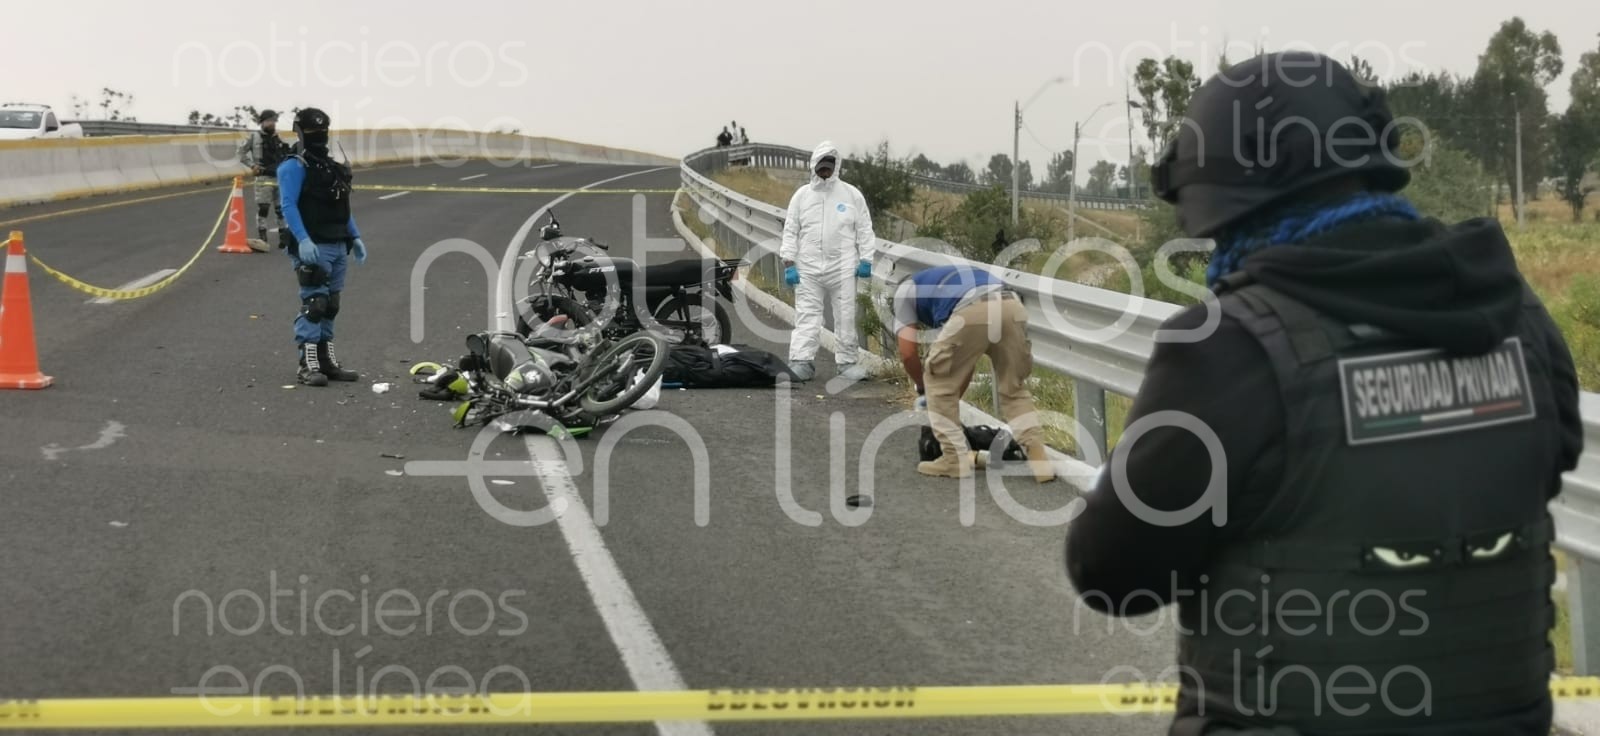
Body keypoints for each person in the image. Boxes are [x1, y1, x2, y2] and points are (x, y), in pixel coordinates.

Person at [1064, 51, 1581, 736]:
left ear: (1227, 203)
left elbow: (1112, 574)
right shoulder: (1518, 317)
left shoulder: (1229, 347)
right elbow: (1538, 468)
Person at [891, 263, 1056, 482]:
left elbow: (908, 353)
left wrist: (924, 389)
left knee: (937, 379)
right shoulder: (945, 283)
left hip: (972, 309)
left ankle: (953, 460)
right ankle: (1039, 460)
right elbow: (963, 367)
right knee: (1013, 388)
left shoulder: (904, 292)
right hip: (1010, 303)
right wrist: (948, 402)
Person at [278, 107, 367, 387]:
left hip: (339, 244)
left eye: (324, 131)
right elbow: (289, 205)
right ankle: (308, 364)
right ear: (301, 132)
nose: (321, 137)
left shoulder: (329, 166)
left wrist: (354, 236)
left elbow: (341, 205)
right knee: (314, 303)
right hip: (313, 245)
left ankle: (327, 361)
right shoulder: (293, 166)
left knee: (331, 305)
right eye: (315, 132)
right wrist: (302, 239)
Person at [779, 142, 875, 382]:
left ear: (836, 167)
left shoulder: (851, 195)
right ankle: (801, 362)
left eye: (829, 167)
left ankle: (847, 363)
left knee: (845, 316)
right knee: (807, 315)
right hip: (808, 269)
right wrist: (788, 262)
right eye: (821, 167)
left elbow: (864, 228)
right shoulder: (802, 196)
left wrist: (866, 259)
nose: (825, 171)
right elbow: (790, 229)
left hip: (842, 268)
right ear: (814, 167)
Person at [237, 109, 292, 250]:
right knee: (264, 208)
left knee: (280, 209)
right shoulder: (254, 137)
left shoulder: (279, 138)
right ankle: (262, 238)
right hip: (263, 177)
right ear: (262, 122)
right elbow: (240, 153)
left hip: (279, 177)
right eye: (269, 121)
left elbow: (288, 154)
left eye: (273, 121)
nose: (272, 123)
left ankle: (283, 238)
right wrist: (252, 166)